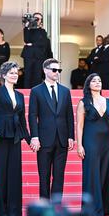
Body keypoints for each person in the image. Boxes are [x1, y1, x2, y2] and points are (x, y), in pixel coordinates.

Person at [0, 62, 30, 216]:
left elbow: (22, 119)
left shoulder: (20, 95)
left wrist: (30, 140)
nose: (15, 75)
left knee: (14, 174)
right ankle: (2, 211)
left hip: (15, 137)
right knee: (0, 173)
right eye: (11, 72)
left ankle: (14, 210)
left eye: (16, 72)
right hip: (0, 135)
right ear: (3, 75)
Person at [76, 73, 109, 216]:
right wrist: (79, 145)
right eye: (94, 81)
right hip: (90, 141)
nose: (97, 82)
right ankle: (92, 209)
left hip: (107, 143)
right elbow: (79, 125)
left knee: (106, 173)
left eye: (99, 80)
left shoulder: (108, 101)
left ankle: (105, 207)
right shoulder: (83, 102)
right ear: (88, 84)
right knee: (92, 174)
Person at [28, 58, 75, 203]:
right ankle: (43, 206)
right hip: (44, 139)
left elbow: (69, 115)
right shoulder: (36, 91)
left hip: (62, 139)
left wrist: (71, 136)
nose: (57, 73)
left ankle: (56, 207)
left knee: (59, 175)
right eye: (54, 70)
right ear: (45, 70)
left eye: (59, 70)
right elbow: (32, 115)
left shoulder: (65, 91)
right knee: (44, 175)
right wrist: (34, 136)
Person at [21, 12, 52, 89]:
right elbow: (27, 40)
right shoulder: (28, 29)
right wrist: (27, 26)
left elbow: (43, 43)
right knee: (27, 75)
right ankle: (27, 93)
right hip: (28, 55)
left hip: (39, 56)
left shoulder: (43, 31)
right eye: (36, 18)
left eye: (39, 19)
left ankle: (36, 94)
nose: (37, 20)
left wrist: (32, 44)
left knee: (37, 76)